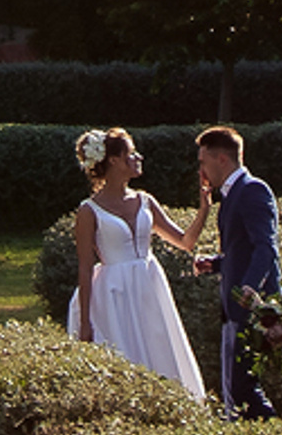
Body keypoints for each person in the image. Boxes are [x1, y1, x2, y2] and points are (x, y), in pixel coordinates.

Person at [65, 126, 207, 399]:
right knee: (125, 352)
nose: (138, 157)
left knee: (159, 345)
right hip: (113, 292)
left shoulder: (145, 201)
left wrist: (204, 209)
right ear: (114, 160)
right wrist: (85, 322)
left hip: (148, 285)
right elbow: (84, 266)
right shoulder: (88, 211)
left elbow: (185, 242)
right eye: (131, 153)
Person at [192, 122, 281, 419]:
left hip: (250, 306)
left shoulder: (253, 190)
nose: (201, 171)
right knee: (236, 387)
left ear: (222, 159)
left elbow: (265, 248)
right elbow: (240, 248)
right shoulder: (232, 195)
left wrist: (249, 287)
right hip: (235, 305)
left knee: (243, 388)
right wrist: (215, 263)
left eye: (203, 161)